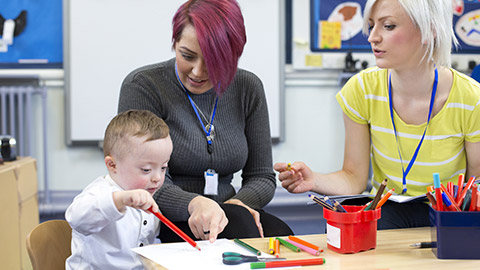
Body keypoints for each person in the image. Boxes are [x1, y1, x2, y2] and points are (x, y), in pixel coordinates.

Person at [275, 0, 480, 229]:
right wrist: (314, 179)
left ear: (429, 30)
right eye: (372, 26)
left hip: (445, 213)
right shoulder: (362, 90)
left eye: (388, 26)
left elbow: (473, 188)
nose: (373, 37)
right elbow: (353, 178)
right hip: (386, 210)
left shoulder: (471, 99)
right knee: (349, 230)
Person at [118, 0, 293, 243]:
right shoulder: (144, 86)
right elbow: (142, 180)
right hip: (165, 216)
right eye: (187, 56)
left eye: (213, 61)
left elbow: (261, 176)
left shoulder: (248, 87)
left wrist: (238, 204)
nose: (198, 72)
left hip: (228, 211)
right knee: (242, 229)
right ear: (175, 44)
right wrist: (195, 204)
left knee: (281, 236)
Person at [65, 110, 173, 270]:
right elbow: (76, 217)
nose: (157, 177)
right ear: (112, 165)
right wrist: (120, 201)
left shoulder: (146, 194)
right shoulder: (99, 192)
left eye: (163, 167)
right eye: (146, 169)